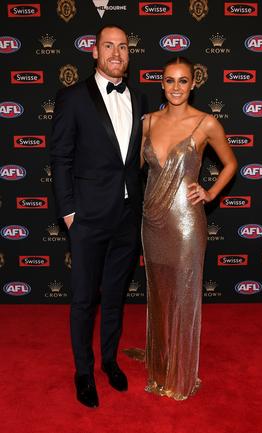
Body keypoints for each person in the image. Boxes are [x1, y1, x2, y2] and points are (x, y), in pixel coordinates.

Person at [50, 25, 146, 408]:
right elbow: (60, 158)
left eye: (123, 46)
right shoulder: (72, 98)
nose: (116, 53)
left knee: (115, 297)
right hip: (87, 217)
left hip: (126, 216)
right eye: (109, 46)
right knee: (84, 299)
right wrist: (70, 213)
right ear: (94, 51)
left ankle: (109, 361)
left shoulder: (138, 99)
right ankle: (84, 372)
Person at [141, 56, 237, 400]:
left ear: (193, 84)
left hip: (186, 224)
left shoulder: (206, 123)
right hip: (152, 222)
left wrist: (209, 192)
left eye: (183, 81)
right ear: (161, 83)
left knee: (183, 297)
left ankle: (180, 375)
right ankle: (161, 363)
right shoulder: (148, 122)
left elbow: (230, 163)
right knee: (159, 295)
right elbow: (130, 168)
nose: (176, 87)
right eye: (170, 80)